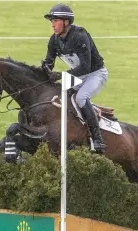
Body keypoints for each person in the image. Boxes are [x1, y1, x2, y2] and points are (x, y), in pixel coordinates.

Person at [41, 3, 108, 154]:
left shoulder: (80, 36)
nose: (52, 25)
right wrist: (45, 68)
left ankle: (97, 138)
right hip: (77, 75)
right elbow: (49, 62)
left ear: (66, 22)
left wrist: (60, 75)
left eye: (55, 21)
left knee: (81, 98)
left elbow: (85, 67)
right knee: (58, 97)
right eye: (51, 21)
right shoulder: (54, 40)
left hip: (95, 74)